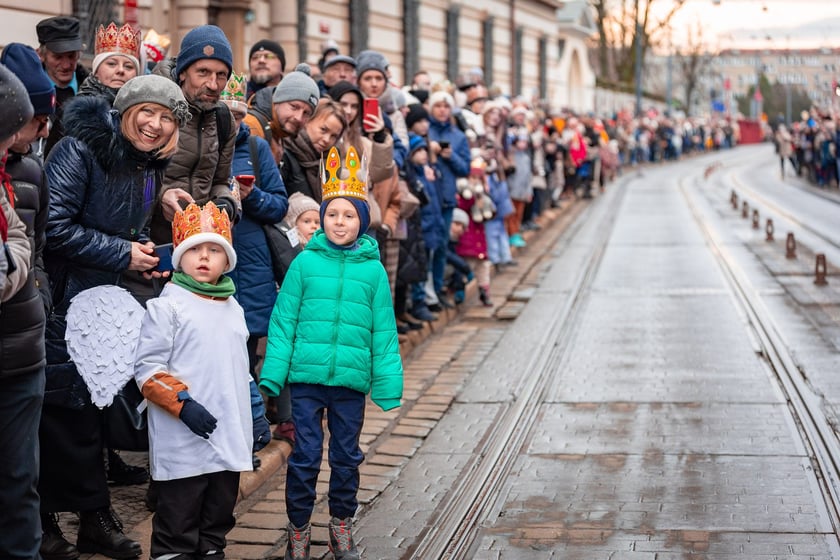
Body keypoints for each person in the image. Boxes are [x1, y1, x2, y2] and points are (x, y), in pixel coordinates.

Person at [41, 74, 189, 560]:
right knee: (64, 412)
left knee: (95, 411)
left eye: (167, 118)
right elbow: (55, 228)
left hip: (108, 297)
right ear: (125, 110)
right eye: (148, 112)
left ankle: (93, 520)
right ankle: (46, 524)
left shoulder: (148, 164)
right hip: (63, 298)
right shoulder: (78, 150)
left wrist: (146, 248)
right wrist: (122, 252)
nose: (154, 124)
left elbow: (129, 226)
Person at [260, 145, 403, 560]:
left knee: (346, 457)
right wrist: (274, 374)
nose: (340, 222)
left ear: (362, 220)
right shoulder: (304, 265)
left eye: (349, 215)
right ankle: (299, 528)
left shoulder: (372, 270)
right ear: (322, 219)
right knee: (304, 457)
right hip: (305, 380)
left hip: (349, 381)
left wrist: (388, 382)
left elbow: (383, 330)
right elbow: (283, 321)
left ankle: (341, 523)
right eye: (333, 214)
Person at [134, 201, 270, 560]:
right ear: (180, 258)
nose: (204, 257)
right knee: (179, 516)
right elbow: (147, 370)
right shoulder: (168, 307)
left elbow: (240, 368)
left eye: (214, 250)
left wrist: (255, 412)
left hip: (226, 433)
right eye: (194, 250)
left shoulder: (233, 307)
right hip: (184, 436)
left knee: (217, 514)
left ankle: (211, 550)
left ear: (227, 261)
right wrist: (184, 405)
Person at [219, 72, 292, 453]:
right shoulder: (199, 145)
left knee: (245, 351)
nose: (231, 122)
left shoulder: (259, 150)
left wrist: (252, 195)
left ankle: (246, 434)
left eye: (237, 115)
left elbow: (281, 204)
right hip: (212, 259)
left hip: (249, 265)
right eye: (225, 114)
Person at [0, 60, 43, 560]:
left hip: (22, 353)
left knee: (19, 482)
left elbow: (20, 237)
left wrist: (11, 264)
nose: (13, 143)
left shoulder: (9, 177)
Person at [151, 24, 238, 245]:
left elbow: (219, 180)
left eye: (221, 75)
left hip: (197, 243)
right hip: (150, 241)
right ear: (182, 72)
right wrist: (161, 197)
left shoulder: (223, 119)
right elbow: (126, 178)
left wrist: (226, 202)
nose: (212, 84)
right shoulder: (152, 109)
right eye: (203, 72)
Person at [426, 90, 470, 306]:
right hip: (428, 197)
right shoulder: (426, 131)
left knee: (442, 246)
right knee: (427, 246)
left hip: (447, 198)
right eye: (438, 106)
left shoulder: (458, 135)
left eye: (446, 106)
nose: (442, 110)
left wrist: (450, 156)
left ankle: (437, 288)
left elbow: (465, 168)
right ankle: (425, 294)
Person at [244, 63, 320, 165]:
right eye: (294, 107)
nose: (299, 118)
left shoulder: (278, 131)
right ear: (277, 100)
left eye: (306, 113)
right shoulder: (252, 127)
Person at [36, 16, 88, 157]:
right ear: (41, 55)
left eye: (71, 56)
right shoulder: (30, 93)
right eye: (58, 57)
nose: (66, 65)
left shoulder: (93, 91)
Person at [281, 98, 347, 201]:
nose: (327, 139)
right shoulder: (284, 152)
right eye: (323, 130)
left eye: (334, 136)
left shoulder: (332, 162)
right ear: (307, 121)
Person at [76, 22, 141, 104]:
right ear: (96, 71)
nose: (121, 70)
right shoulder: (82, 110)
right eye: (112, 64)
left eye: (128, 66)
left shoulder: (144, 109)